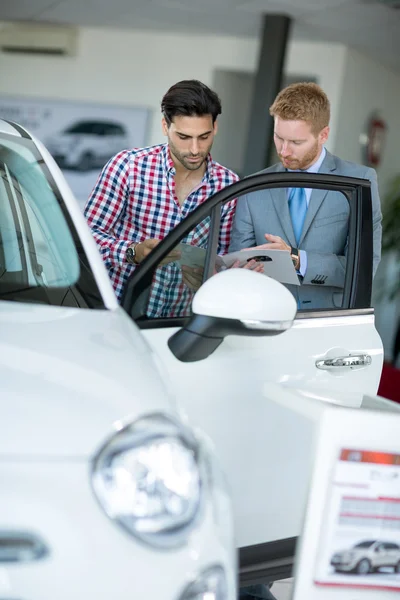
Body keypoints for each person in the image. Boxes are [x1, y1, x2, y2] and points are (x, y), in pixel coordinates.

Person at [84, 79, 260, 316]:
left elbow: (227, 257)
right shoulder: (127, 167)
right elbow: (84, 241)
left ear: (215, 127)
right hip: (117, 314)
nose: (195, 149)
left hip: (179, 324)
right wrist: (133, 253)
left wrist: (212, 276)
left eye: (204, 136)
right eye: (184, 137)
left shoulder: (228, 185)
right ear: (165, 127)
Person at [229, 82, 382, 310]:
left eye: (296, 142)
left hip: (329, 323)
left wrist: (297, 260)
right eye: (279, 137)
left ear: (323, 135)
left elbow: (364, 269)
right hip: (265, 317)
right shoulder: (253, 186)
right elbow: (240, 263)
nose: (284, 151)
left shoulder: (360, 181)